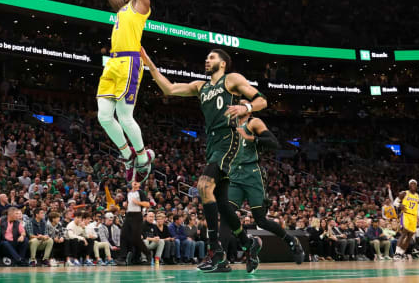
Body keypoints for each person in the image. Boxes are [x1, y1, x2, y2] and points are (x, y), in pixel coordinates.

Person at [141, 48, 266, 273]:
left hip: (229, 140)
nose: (207, 60)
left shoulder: (232, 79)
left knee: (203, 185)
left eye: (212, 57)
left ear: (223, 63)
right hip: (212, 145)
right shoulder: (201, 86)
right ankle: (248, 244)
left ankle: (215, 252)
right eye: (206, 57)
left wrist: (245, 107)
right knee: (223, 205)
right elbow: (169, 88)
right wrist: (148, 62)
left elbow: (261, 101)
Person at [98, 0, 165, 183]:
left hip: (129, 61)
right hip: (113, 63)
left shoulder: (142, 3)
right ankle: (127, 156)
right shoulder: (122, 9)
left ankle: (143, 157)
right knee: (104, 117)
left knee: (125, 117)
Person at [229, 101, 305, 272]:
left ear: (247, 109)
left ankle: (291, 241)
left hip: (252, 174)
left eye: (241, 105)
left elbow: (274, 143)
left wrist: (252, 138)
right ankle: (249, 246)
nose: (237, 107)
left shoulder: (253, 122)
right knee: (226, 212)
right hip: (235, 175)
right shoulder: (232, 125)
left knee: (261, 220)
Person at [122, 181, 152, 265]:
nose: (134, 184)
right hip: (128, 215)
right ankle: (123, 257)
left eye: (136, 183)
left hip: (137, 215)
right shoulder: (129, 194)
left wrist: (138, 202)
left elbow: (147, 204)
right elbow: (128, 204)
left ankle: (147, 253)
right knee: (123, 235)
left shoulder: (140, 192)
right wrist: (125, 205)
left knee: (136, 238)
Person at [393, 180, 419, 261]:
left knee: (410, 236)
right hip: (406, 215)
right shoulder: (404, 193)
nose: (413, 185)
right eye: (411, 184)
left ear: (416, 186)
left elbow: (417, 209)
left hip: (414, 217)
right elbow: (395, 202)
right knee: (404, 233)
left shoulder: (418, 196)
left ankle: (401, 253)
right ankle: (396, 254)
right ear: (409, 185)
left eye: (414, 184)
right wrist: (399, 205)